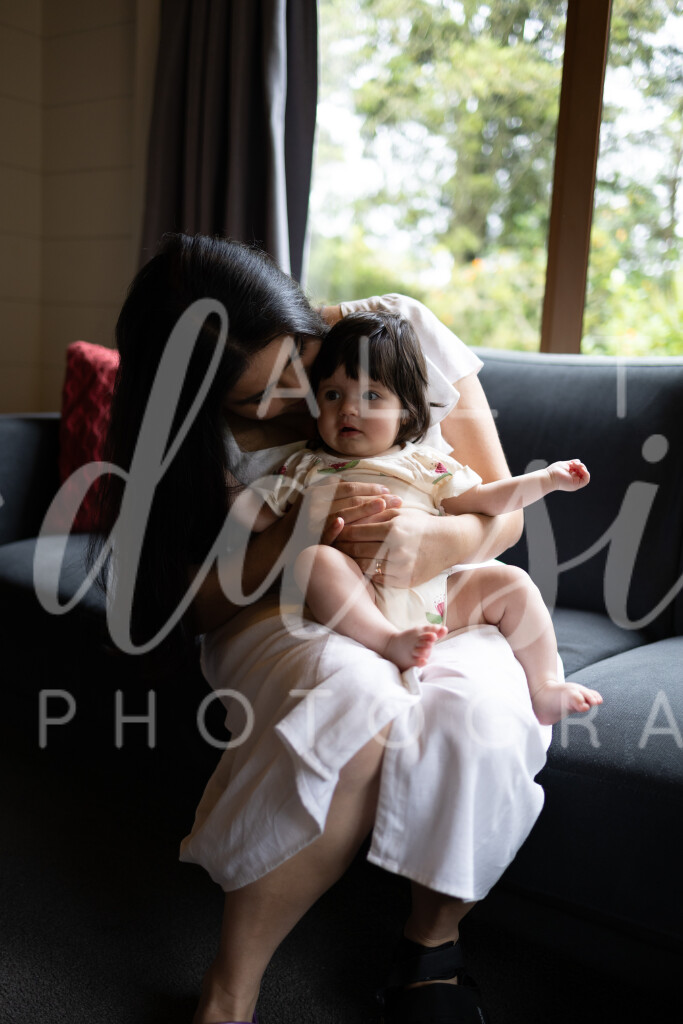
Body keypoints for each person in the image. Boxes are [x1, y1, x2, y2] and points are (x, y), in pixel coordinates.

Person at [98, 233, 554, 1024]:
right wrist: (300, 529)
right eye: (254, 399)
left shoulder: (396, 330)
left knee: (473, 710)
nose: (295, 398)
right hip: (280, 605)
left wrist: (434, 541)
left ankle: (430, 950)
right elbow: (194, 606)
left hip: (434, 589)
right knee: (353, 695)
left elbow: (501, 511)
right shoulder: (188, 433)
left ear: (301, 318)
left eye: (295, 363)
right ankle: (230, 989)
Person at [242, 311, 602, 727]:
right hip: (359, 595)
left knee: (513, 583)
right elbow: (257, 516)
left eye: (372, 396)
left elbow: (486, 499)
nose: (349, 409)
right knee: (315, 561)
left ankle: (545, 686)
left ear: (406, 413)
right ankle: (388, 640)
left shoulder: (425, 464)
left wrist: (546, 479)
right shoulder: (307, 467)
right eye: (333, 394)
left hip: (436, 596)